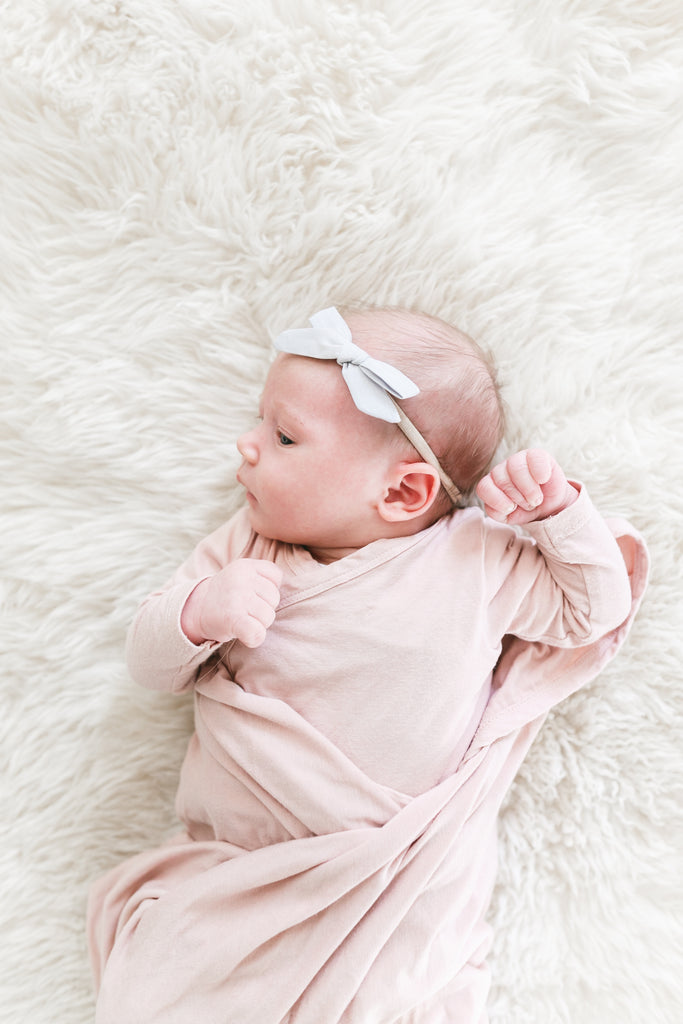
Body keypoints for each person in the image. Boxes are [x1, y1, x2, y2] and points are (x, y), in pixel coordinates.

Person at [87, 305, 648, 1023]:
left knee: (407, 988)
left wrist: (558, 514)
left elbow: (590, 612)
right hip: (248, 874)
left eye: (283, 436)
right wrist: (197, 613)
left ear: (403, 491)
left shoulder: (476, 559)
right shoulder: (244, 549)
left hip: (397, 882)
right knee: (174, 969)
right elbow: (149, 662)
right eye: (261, 422)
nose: (246, 445)